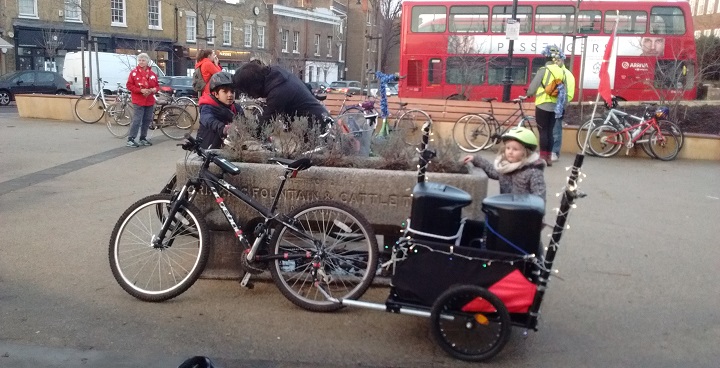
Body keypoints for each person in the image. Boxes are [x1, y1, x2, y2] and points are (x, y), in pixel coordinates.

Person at [231, 61, 329, 138]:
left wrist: (243, 131)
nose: (250, 96)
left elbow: (264, 124)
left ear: (252, 86)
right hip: (320, 120)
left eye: (247, 92)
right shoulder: (278, 74)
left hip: (316, 128)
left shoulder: (278, 92)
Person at [462, 127, 546, 202]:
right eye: (508, 148)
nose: (510, 152)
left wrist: (535, 215)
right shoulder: (505, 167)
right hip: (506, 208)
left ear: (526, 152)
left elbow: (539, 195)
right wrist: (476, 159)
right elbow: (492, 171)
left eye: (515, 149)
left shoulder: (533, 171)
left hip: (525, 212)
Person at [524, 44, 575, 166]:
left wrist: (529, 94)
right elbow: (565, 90)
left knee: (543, 132)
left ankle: (542, 157)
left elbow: (532, 88)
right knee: (550, 131)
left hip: (542, 105)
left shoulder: (543, 70)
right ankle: (548, 158)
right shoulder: (562, 72)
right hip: (556, 107)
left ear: (546, 58)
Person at [196, 71, 244, 149]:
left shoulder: (236, 108)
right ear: (216, 94)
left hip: (229, 149)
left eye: (232, 91)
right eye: (225, 91)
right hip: (207, 148)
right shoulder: (207, 107)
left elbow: (245, 124)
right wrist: (222, 128)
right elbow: (208, 119)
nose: (230, 95)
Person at [125, 52, 159, 148]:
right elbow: (129, 85)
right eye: (139, 60)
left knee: (147, 119)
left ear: (147, 61)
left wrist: (153, 90)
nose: (141, 62)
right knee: (137, 119)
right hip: (138, 100)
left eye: (143, 60)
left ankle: (143, 138)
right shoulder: (134, 73)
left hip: (149, 100)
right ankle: (131, 139)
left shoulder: (152, 74)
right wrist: (140, 90)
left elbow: (157, 86)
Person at [551, 58, 576, 162]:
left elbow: (568, 93)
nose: (555, 62)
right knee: (552, 128)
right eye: (554, 60)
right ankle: (551, 151)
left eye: (558, 60)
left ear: (562, 61)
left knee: (556, 129)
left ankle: (555, 152)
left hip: (559, 104)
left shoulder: (565, 74)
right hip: (553, 103)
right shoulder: (559, 72)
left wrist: (562, 102)